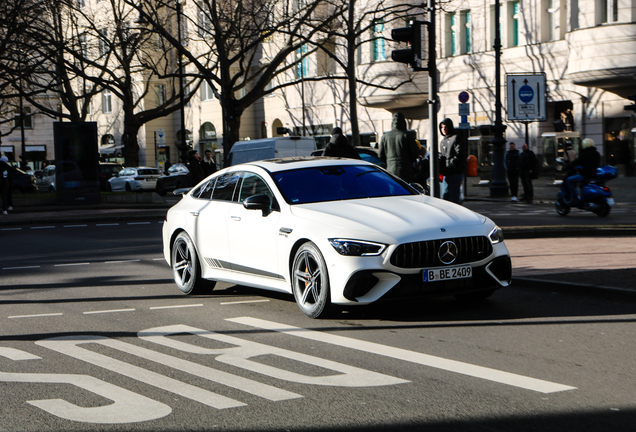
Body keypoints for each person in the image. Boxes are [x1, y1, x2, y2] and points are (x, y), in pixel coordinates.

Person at [378, 112, 420, 182]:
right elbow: (415, 153)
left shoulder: (385, 137)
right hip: (406, 170)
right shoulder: (407, 135)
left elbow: (380, 155)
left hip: (391, 169)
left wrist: (389, 162)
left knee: (394, 190)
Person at [565, 138, 601, 204]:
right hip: (594, 175)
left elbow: (576, 162)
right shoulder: (597, 154)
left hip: (585, 175)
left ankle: (574, 197)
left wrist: (567, 167)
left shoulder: (584, 154)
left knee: (569, 180)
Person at [439, 118, 465, 204]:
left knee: (453, 197)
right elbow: (443, 156)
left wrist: (449, 165)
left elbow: (459, 155)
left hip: (455, 172)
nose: (444, 129)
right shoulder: (443, 141)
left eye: (445, 127)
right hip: (447, 173)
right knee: (446, 196)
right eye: (442, 127)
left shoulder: (456, 138)